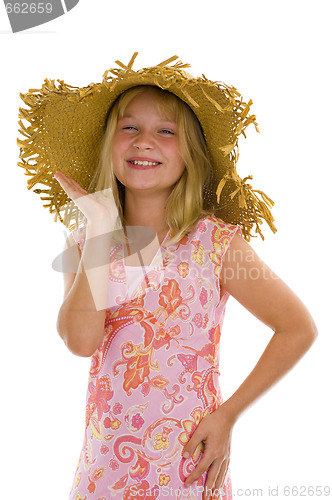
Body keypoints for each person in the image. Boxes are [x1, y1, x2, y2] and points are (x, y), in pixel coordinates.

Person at [18, 54, 318, 500]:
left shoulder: (214, 243)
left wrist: (227, 416)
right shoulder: (84, 243)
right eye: (129, 127)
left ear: (190, 155)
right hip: (105, 470)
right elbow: (81, 342)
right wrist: (100, 227)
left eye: (165, 131)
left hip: (187, 465)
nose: (144, 142)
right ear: (109, 145)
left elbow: (297, 328)